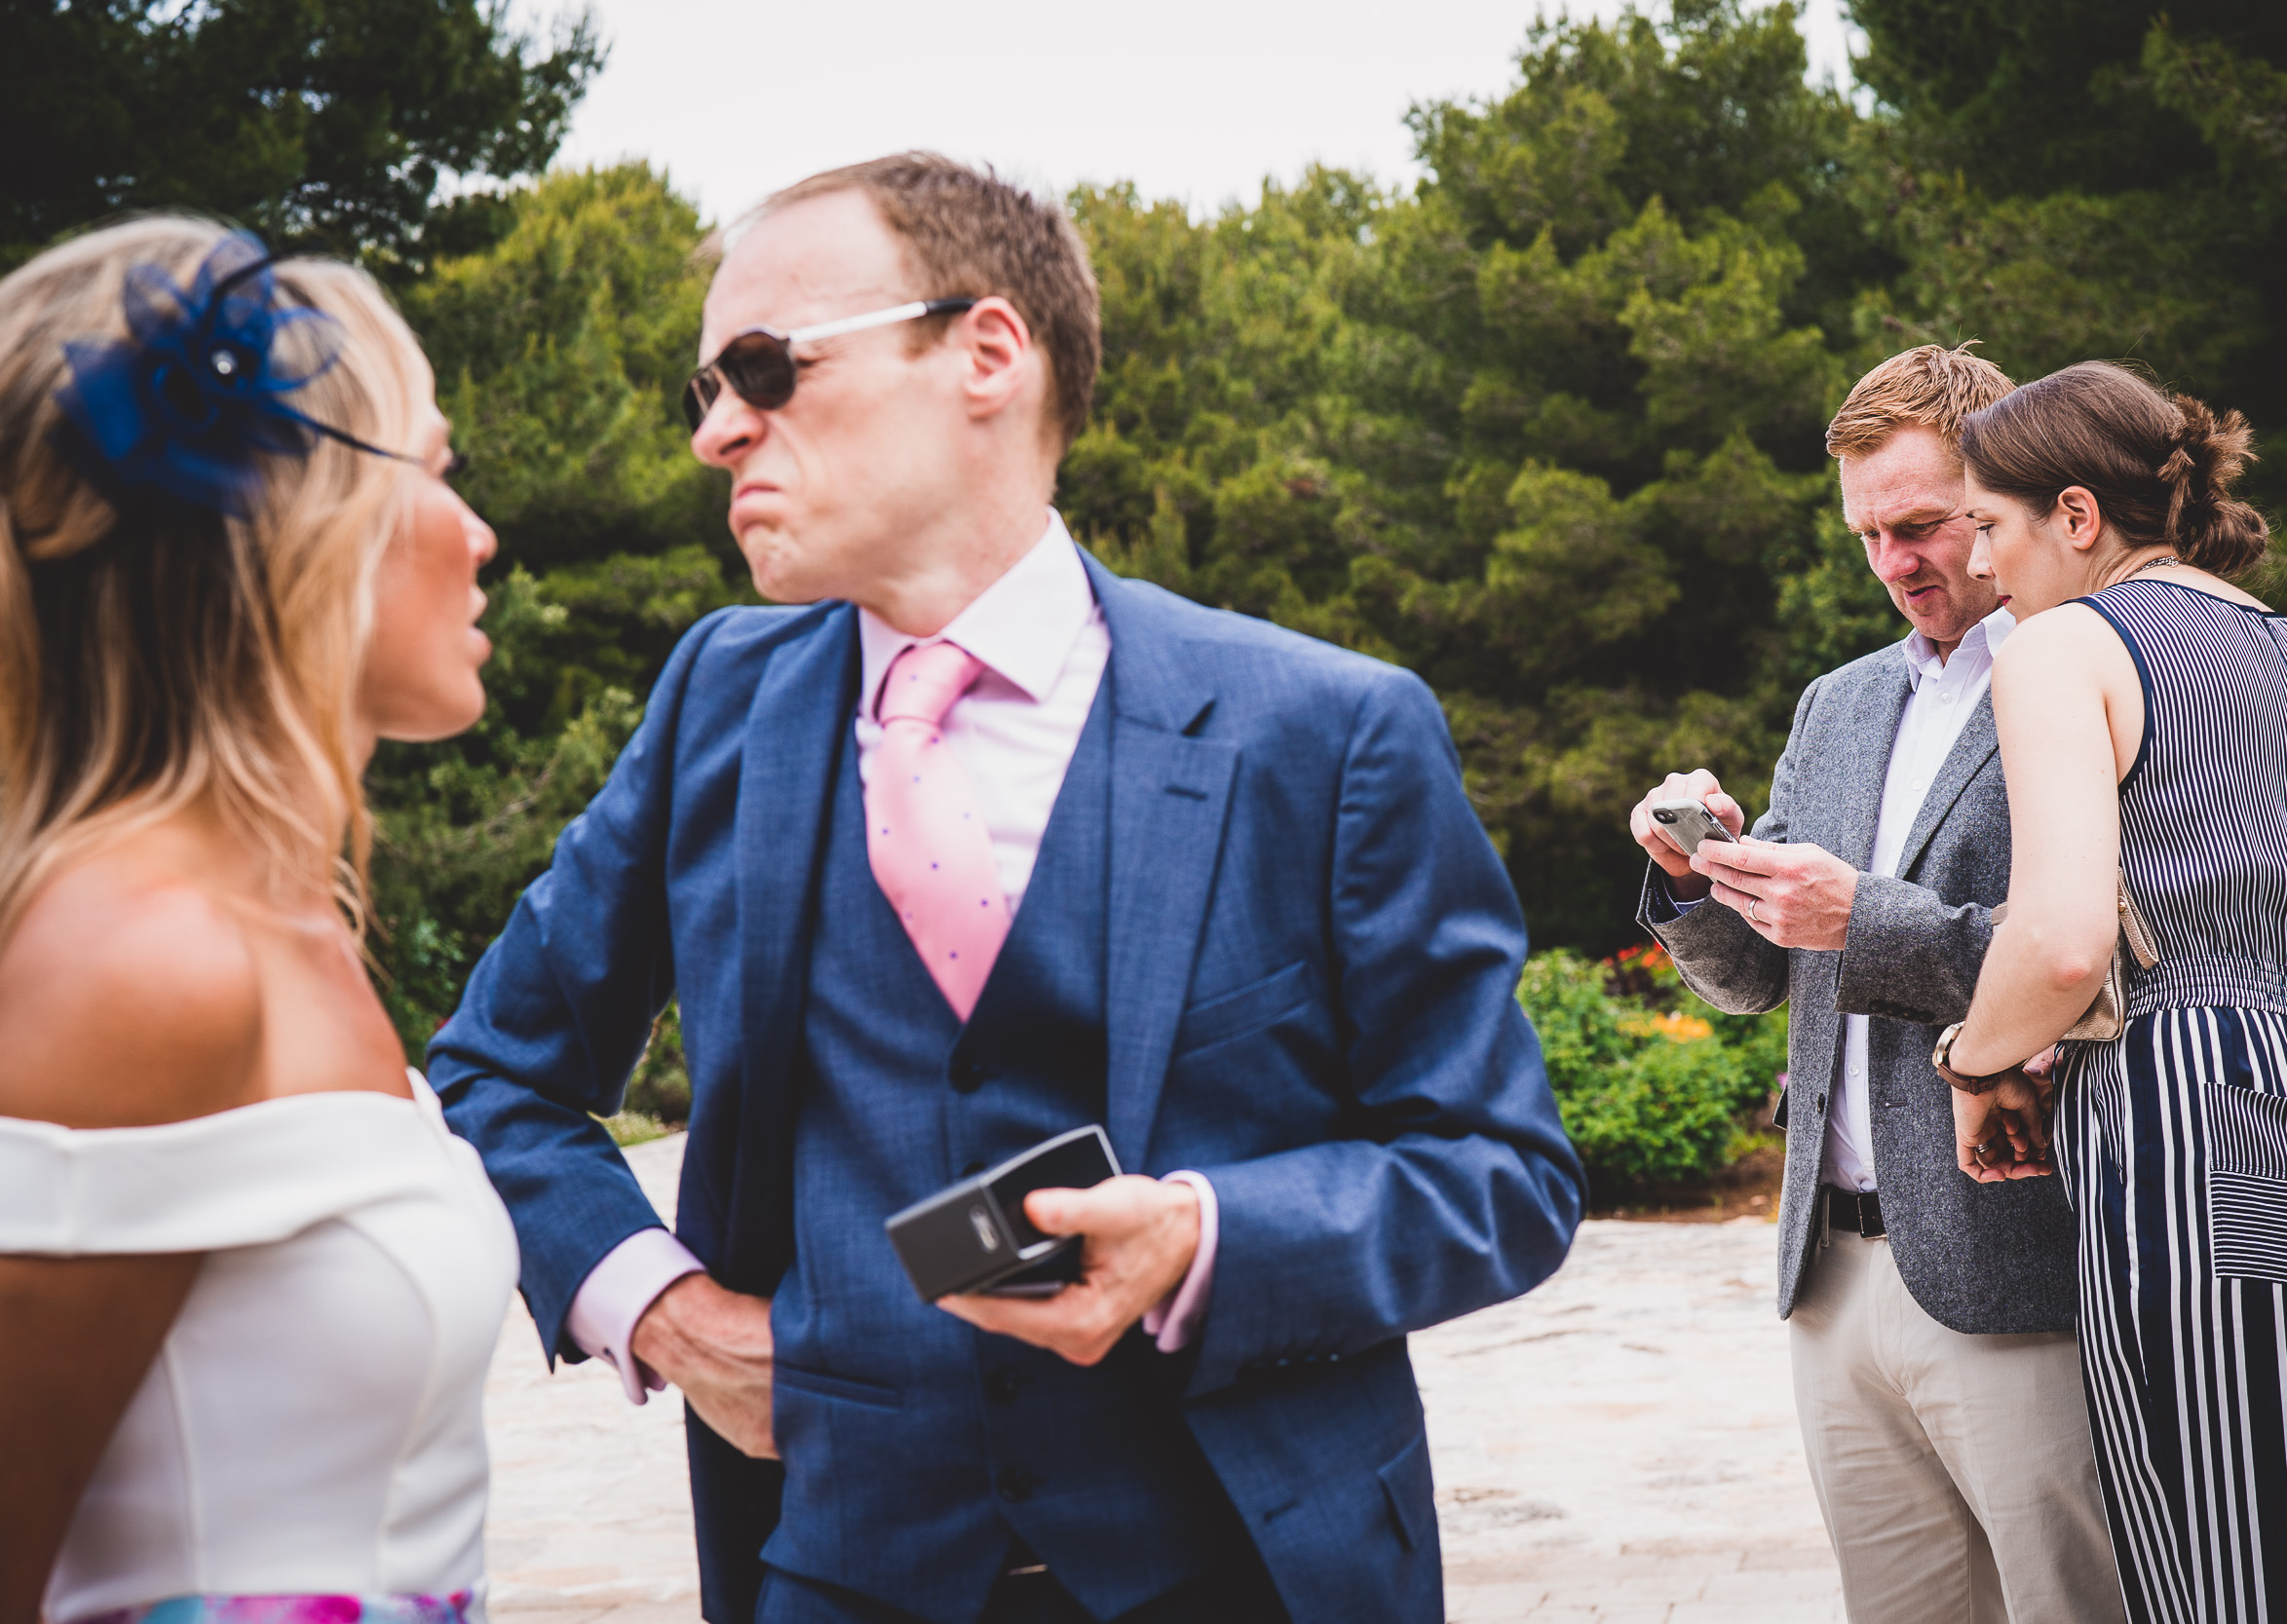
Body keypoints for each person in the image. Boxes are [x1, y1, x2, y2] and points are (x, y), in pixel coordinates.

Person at [428, 153, 1582, 1624]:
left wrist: (1207, 1237)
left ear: (985, 351)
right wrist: (659, 1307)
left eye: (767, 369)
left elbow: (1501, 1172)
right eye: (704, 389)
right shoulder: (716, 704)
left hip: (1244, 1570)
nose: (721, 431)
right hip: (836, 1571)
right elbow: (490, 1073)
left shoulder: (1323, 729)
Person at [0, 223, 511, 1624]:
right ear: (294, 524)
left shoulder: (292, 919)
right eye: (441, 469)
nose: (480, 537)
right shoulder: (138, 963)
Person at [1629, 345, 2124, 1622]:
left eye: (1921, 525)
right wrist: (1698, 884)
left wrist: (1864, 915)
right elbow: (1763, 979)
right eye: (1869, 535)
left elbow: (2089, 953)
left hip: (2018, 1265)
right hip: (1830, 1278)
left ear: (1997, 494)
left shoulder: (2091, 674)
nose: (1896, 561)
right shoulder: (1837, 705)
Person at [1939, 360, 2287, 1624]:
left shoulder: (2065, 648)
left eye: (1989, 525)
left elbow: (2058, 941)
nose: (1984, 565)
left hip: (2192, 1137)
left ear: (2077, 516)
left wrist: (1978, 1063)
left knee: (2232, 1571)